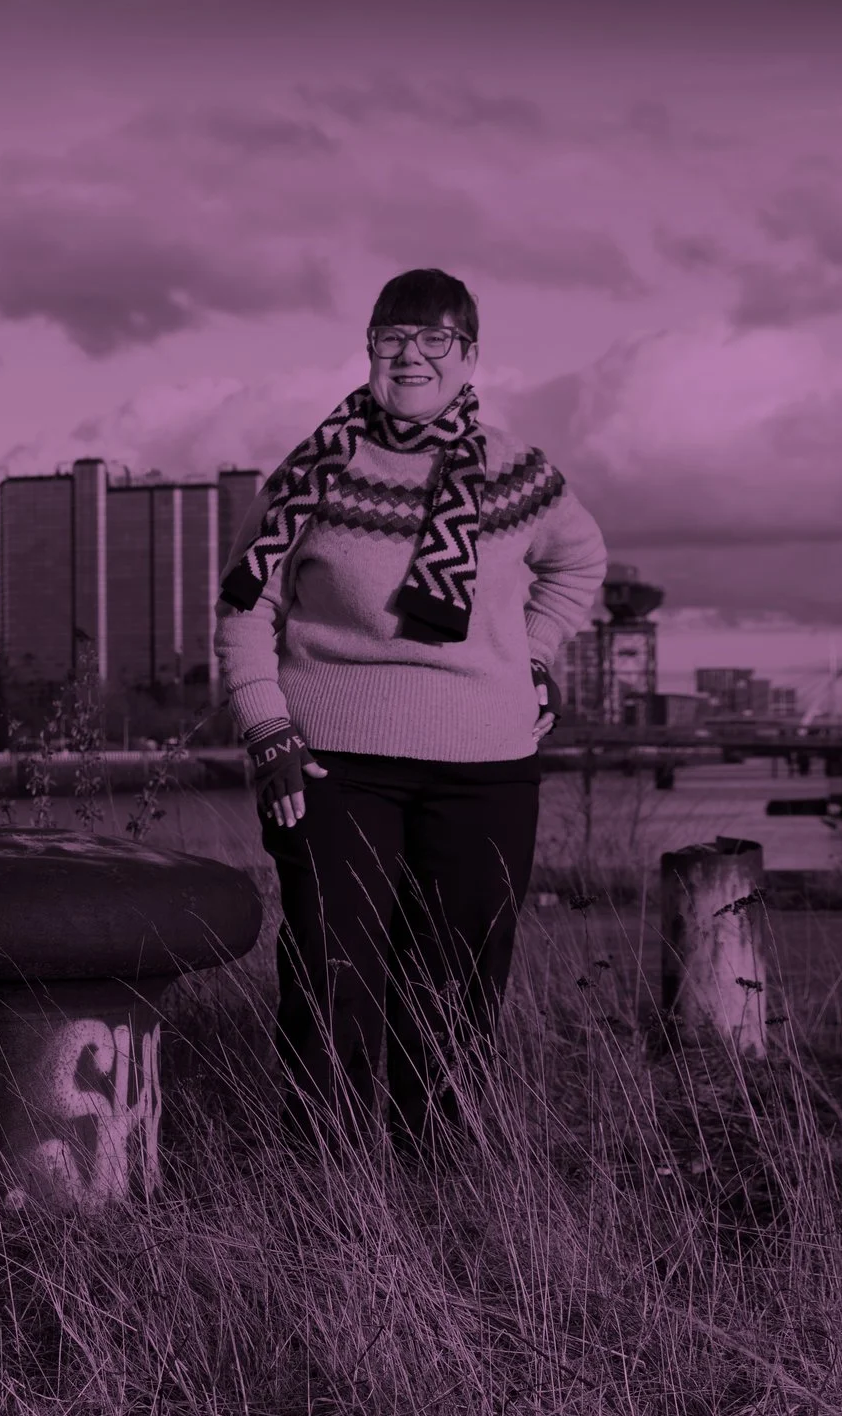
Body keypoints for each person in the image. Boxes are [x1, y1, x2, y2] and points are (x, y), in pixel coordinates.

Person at [214, 268, 606, 1155]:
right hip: (333, 764)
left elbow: (579, 565)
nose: (413, 355)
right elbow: (245, 605)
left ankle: (437, 1169)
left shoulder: (517, 473)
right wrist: (267, 726)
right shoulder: (311, 472)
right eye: (394, 336)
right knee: (332, 973)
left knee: (460, 976)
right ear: (369, 349)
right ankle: (332, 1181)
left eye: (437, 340)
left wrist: (537, 658)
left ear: (470, 357)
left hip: (487, 764)